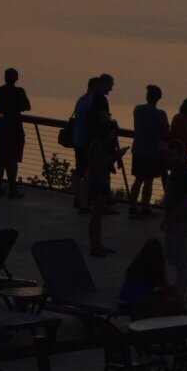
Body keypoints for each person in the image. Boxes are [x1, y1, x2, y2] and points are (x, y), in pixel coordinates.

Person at [158, 140, 187, 301]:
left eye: (172, 155)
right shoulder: (175, 171)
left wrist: (171, 218)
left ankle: (179, 291)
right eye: (167, 154)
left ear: (181, 155)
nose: (168, 158)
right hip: (173, 219)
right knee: (171, 255)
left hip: (181, 221)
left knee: (180, 256)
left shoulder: (183, 172)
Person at [85, 91, 121, 257]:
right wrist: (115, 157)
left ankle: (98, 244)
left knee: (98, 217)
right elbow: (98, 163)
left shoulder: (97, 143)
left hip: (99, 181)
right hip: (97, 182)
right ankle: (95, 245)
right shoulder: (98, 144)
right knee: (97, 216)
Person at [126, 85, 170, 217]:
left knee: (137, 180)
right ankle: (145, 208)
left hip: (138, 149)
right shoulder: (161, 114)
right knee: (148, 181)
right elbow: (165, 132)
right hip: (152, 152)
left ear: (147, 96)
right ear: (159, 98)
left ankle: (133, 206)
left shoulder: (138, 109)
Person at [72, 75, 112, 212]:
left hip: (78, 139)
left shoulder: (81, 100)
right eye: (109, 85)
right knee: (89, 172)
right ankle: (87, 202)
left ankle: (79, 199)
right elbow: (103, 119)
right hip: (89, 141)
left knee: (79, 171)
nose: (111, 89)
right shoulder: (97, 99)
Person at [0, 67, 31, 198]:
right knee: (13, 159)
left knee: (2, 158)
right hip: (15, 128)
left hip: (3, 128)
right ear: (16, 78)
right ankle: (12, 188)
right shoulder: (19, 91)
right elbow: (27, 107)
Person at [117, 238, 178, 316]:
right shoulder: (153, 268)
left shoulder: (137, 264)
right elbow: (164, 284)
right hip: (133, 305)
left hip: (123, 302)